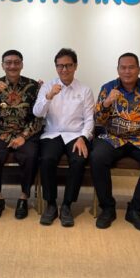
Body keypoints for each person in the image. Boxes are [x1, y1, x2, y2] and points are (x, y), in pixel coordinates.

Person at [90, 52, 140, 232]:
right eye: (123, 68)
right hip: (113, 137)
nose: (127, 71)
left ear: (138, 69)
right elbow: (98, 120)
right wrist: (107, 103)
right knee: (97, 158)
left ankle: (135, 210)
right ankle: (107, 208)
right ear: (118, 70)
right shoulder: (108, 88)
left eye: (131, 67)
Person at [33, 48, 94, 227]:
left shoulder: (85, 90)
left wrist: (84, 137)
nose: (64, 69)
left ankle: (67, 205)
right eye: (60, 66)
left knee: (79, 160)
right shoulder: (47, 87)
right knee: (47, 159)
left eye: (68, 65)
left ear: (75, 66)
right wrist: (49, 96)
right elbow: (37, 113)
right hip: (52, 133)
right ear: (56, 67)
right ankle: (51, 204)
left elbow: (89, 119)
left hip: (76, 135)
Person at [0, 50, 43, 219]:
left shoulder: (34, 86)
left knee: (31, 156)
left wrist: (24, 136)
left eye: (16, 62)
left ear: (22, 64)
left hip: (25, 133)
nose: (12, 66)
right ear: (2, 65)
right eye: (8, 62)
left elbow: (38, 117)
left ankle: (24, 197)